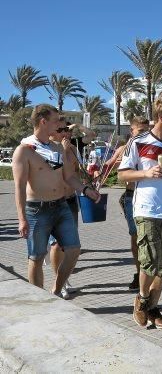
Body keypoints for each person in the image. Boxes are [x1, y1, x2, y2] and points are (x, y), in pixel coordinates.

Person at [118, 97, 162, 330]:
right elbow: (122, 175)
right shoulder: (138, 142)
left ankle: (152, 306)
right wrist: (146, 174)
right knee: (149, 262)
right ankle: (141, 299)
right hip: (146, 209)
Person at [12, 104, 100, 297]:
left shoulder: (58, 148)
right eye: (56, 121)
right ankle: (39, 299)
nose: (60, 125)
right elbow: (18, 187)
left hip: (61, 206)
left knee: (74, 249)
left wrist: (86, 190)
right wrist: (21, 218)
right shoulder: (24, 150)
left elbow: (69, 177)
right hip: (37, 210)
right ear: (43, 122)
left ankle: (57, 290)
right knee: (36, 257)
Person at [102, 116, 150, 290]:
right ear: (132, 131)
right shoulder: (124, 148)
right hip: (131, 196)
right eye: (141, 130)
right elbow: (108, 164)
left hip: (149, 196)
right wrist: (97, 170)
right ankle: (139, 272)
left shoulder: (151, 147)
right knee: (136, 236)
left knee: (148, 238)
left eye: (147, 130)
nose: (145, 134)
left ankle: (148, 272)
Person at [44, 117, 83, 299]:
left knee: (70, 245)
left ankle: (64, 280)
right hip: (55, 202)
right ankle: (57, 282)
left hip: (71, 200)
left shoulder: (73, 149)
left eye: (67, 129)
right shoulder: (48, 151)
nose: (66, 133)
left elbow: (76, 174)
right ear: (53, 131)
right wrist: (65, 151)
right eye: (61, 130)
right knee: (57, 245)